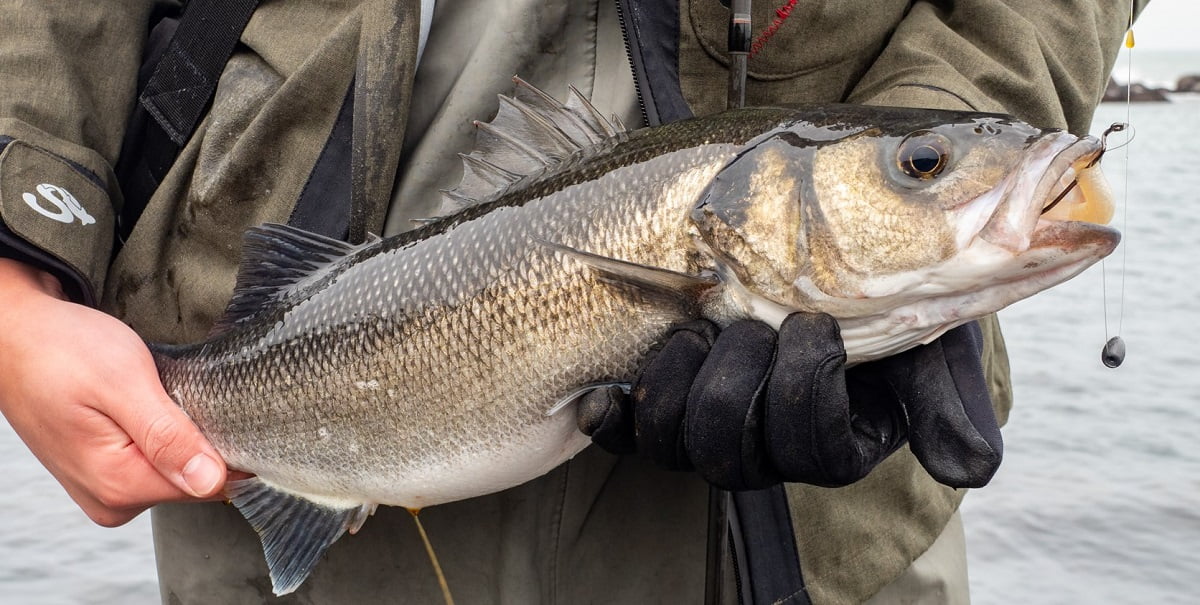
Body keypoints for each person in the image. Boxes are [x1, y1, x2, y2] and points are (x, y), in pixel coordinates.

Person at [0, 1, 1144, 603]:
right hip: (258, 358)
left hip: (815, 531)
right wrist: (14, 269)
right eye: (924, 170)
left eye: (917, 169)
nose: (935, 178)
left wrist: (957, 110)